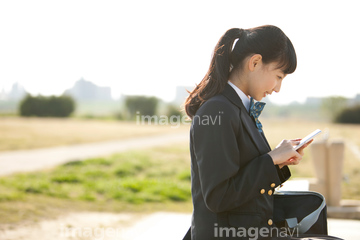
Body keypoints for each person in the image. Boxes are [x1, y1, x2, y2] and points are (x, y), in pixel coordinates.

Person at [183, 25, 341, 240]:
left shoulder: (239, 108)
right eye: (278, 76)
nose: (277, 88)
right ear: (255, 62)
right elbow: (219, 197)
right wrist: (271, 159)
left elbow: (245, 177)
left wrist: (278, 160)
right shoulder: (218, 110)